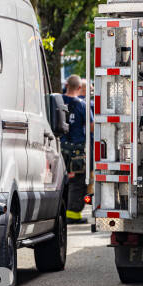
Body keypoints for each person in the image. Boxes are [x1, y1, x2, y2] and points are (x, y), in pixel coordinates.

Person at [61, 74, 92, 224]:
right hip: (77, 152)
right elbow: (91, 126)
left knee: (61, 180)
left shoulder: (56, 101)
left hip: (59, 148)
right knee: (78, 182)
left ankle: (61, 212)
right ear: (79, 87)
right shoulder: (82, 105)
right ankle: (73, 215)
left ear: (66, 85)